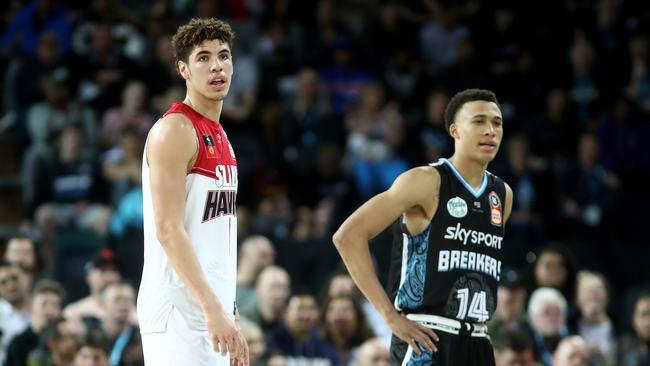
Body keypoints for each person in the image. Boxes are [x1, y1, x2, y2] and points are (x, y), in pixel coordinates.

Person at [333, 89, 513, 365]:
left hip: (477, 340)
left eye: (496, 122)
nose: (490, 130)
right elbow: (348, 236)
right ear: (455, 130)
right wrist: (390, 317)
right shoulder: (427, 180)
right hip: (426, 337)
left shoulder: (502, 195)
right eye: (478, 121)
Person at [136, 18, 247, 366]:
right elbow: (168, 230)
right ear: (183, 69)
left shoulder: (220, 133)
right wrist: (213, 307)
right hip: (177, 311)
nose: (217, 65)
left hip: (208, 306)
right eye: (203, 57)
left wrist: (229, 308)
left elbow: (215, 239)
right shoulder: (174, 130)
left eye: (224, 55)